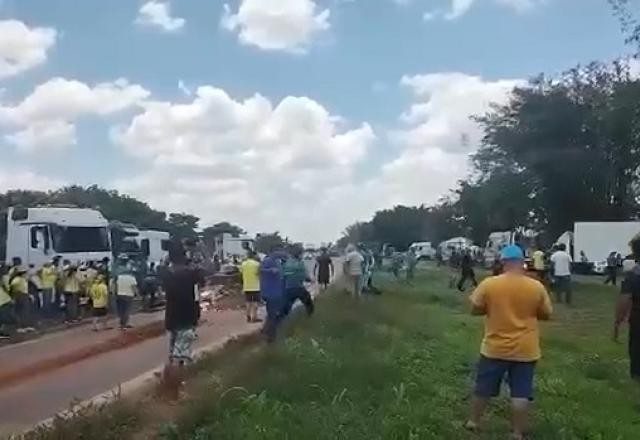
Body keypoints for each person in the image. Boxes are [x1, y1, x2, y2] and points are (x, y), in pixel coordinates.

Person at [466, 245, 553, 439]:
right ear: (522, 262)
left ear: (503, 262)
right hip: (526, 349)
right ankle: (517, 432)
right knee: (521, 393)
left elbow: (474, 309)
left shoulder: (489, 284)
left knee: (483, 388)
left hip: (494, 347)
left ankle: (473, 422)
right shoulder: (536, 286)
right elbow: (547, 314)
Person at [160, 241, 204, 399]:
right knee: (180, 358)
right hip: (187, 317)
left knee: (172, 355)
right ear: (184, 256)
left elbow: (163, 267)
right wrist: (193, 257)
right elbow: (203, 274)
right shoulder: (191, 273)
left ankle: (167, 387)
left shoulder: (166, 273)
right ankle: (176, 392)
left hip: (171, 317)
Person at [260, 248, 285, 343]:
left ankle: (266, 330)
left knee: (273, 313)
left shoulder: (277, 261)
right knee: (273, 314)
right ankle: (271, 337)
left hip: (276, 291)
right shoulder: (268, 260)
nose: (281, 252)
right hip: (270, 292)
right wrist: (270, 270)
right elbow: (260, 270)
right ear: (273, 251)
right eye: (279, 250)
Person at [282, 246, 314, 317]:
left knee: (287, 306)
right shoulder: (300, 264)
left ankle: (283, 319)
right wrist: (311, 281)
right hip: (298, 287)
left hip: (288, 288)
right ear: (298, 255)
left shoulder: (286, 263)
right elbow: (305, 276)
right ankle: (310, 316)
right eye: (301, 254)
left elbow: (282, 275)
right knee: (308, 302)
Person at [10, 266, 35, 333]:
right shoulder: (17, 280)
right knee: (20, 312)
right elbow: (13, 289)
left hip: (24, 295)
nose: (26, 274)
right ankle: (19, 327)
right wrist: (14, 298)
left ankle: (26, 326)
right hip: (19, 296)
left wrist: (29, 295)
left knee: (26, 312)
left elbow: (25, 289)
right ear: (22, 273)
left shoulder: (23, 279)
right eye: (25, 273)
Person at [240, 251, 262, 323]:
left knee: (248, 302)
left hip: (246, 286)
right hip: (256, 286)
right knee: (255, 303)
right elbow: (259, 274)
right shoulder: (257, 264)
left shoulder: (243, 264)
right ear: (254, 256)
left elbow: (241, 273)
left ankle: (248, 316)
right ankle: (254, 317)